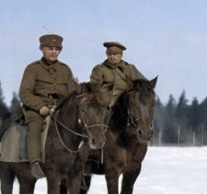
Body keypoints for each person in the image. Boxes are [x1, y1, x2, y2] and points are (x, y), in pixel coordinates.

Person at [19, 34, 77, 179]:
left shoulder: (65, 69)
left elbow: (72, 93)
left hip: (60, 108)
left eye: (57, 49)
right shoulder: (33, 69)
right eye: (49, 48)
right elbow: (24, 93)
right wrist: (40, 107)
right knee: (35, 124)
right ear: (42, 49)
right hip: (38, 108)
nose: (53, 52)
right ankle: (35, 162)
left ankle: (78, 164)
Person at [90, 41, 148, 106]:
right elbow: (95, 87)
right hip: (106, 104)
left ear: (121, 55)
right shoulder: (100, 69)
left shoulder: (130, 68)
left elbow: (143, 84)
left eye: (115, 55)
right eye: (109, 54)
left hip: (127, 103)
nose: (112, 57)